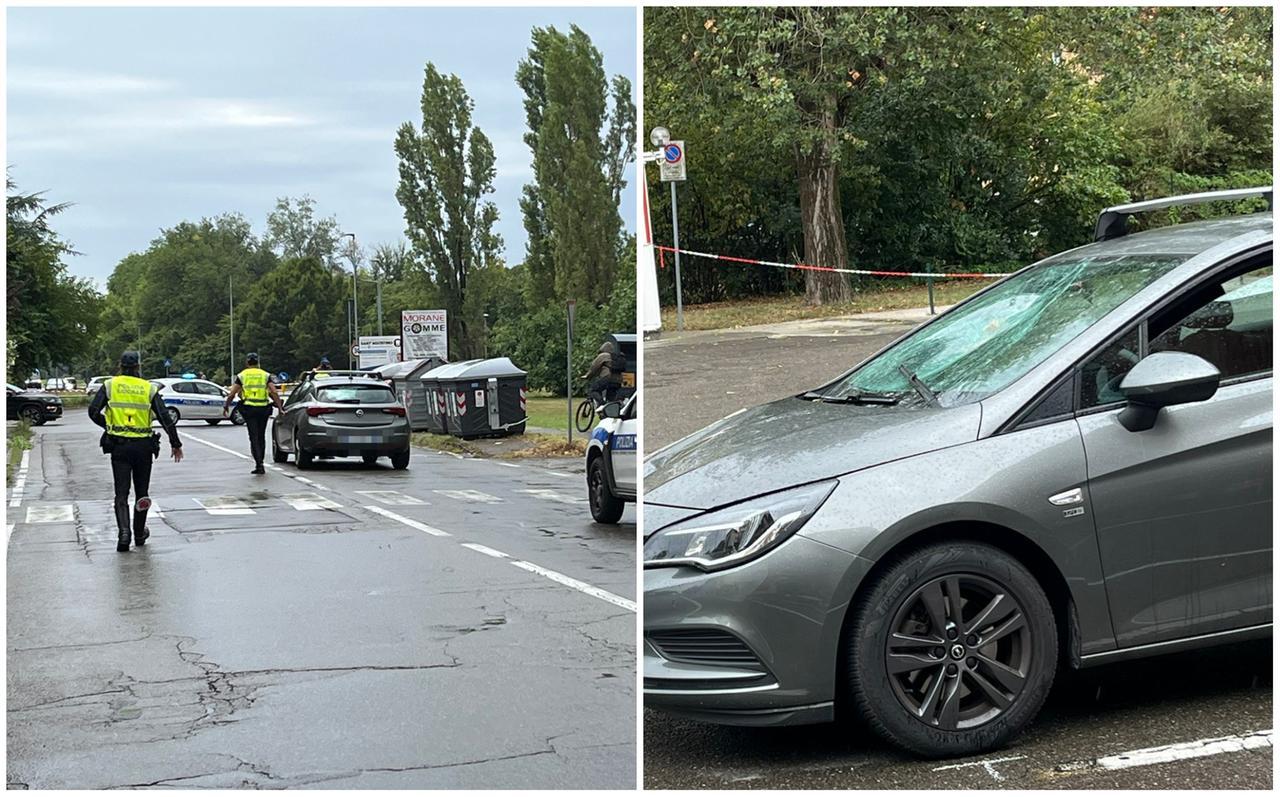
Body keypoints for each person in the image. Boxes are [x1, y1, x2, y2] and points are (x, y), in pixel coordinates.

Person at [88, 351, 183, 552]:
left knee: (121, 494)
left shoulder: (110, 386)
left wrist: (109, 426)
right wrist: (175, 443)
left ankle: (124, 534)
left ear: (120, 366)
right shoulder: (148, 388)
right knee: (142, 493)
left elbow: (93, 411)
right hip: (143, 448)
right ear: (138, 367)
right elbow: (166, 418)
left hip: (119, 446)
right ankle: (139, 533)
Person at [223, 353, 284, 474]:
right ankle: (260, 461)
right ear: (258, 363)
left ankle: (259, 464)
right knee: (261, 436)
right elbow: (273, 391)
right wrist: (280, 407)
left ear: (247, 363)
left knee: (253, 436)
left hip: (249, 409)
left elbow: (232, 393)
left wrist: (226, 406)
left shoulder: (242, 375)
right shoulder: (265, 375)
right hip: (263, 409)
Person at [584, 341, 623, 405]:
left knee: (593, 390)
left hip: (607, 378)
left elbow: (594, 367)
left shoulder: (603, 355)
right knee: (611, 399)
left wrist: (587, 376)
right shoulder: (616, 356)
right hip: (618, 380)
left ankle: (602, 404)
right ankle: (609, 411)